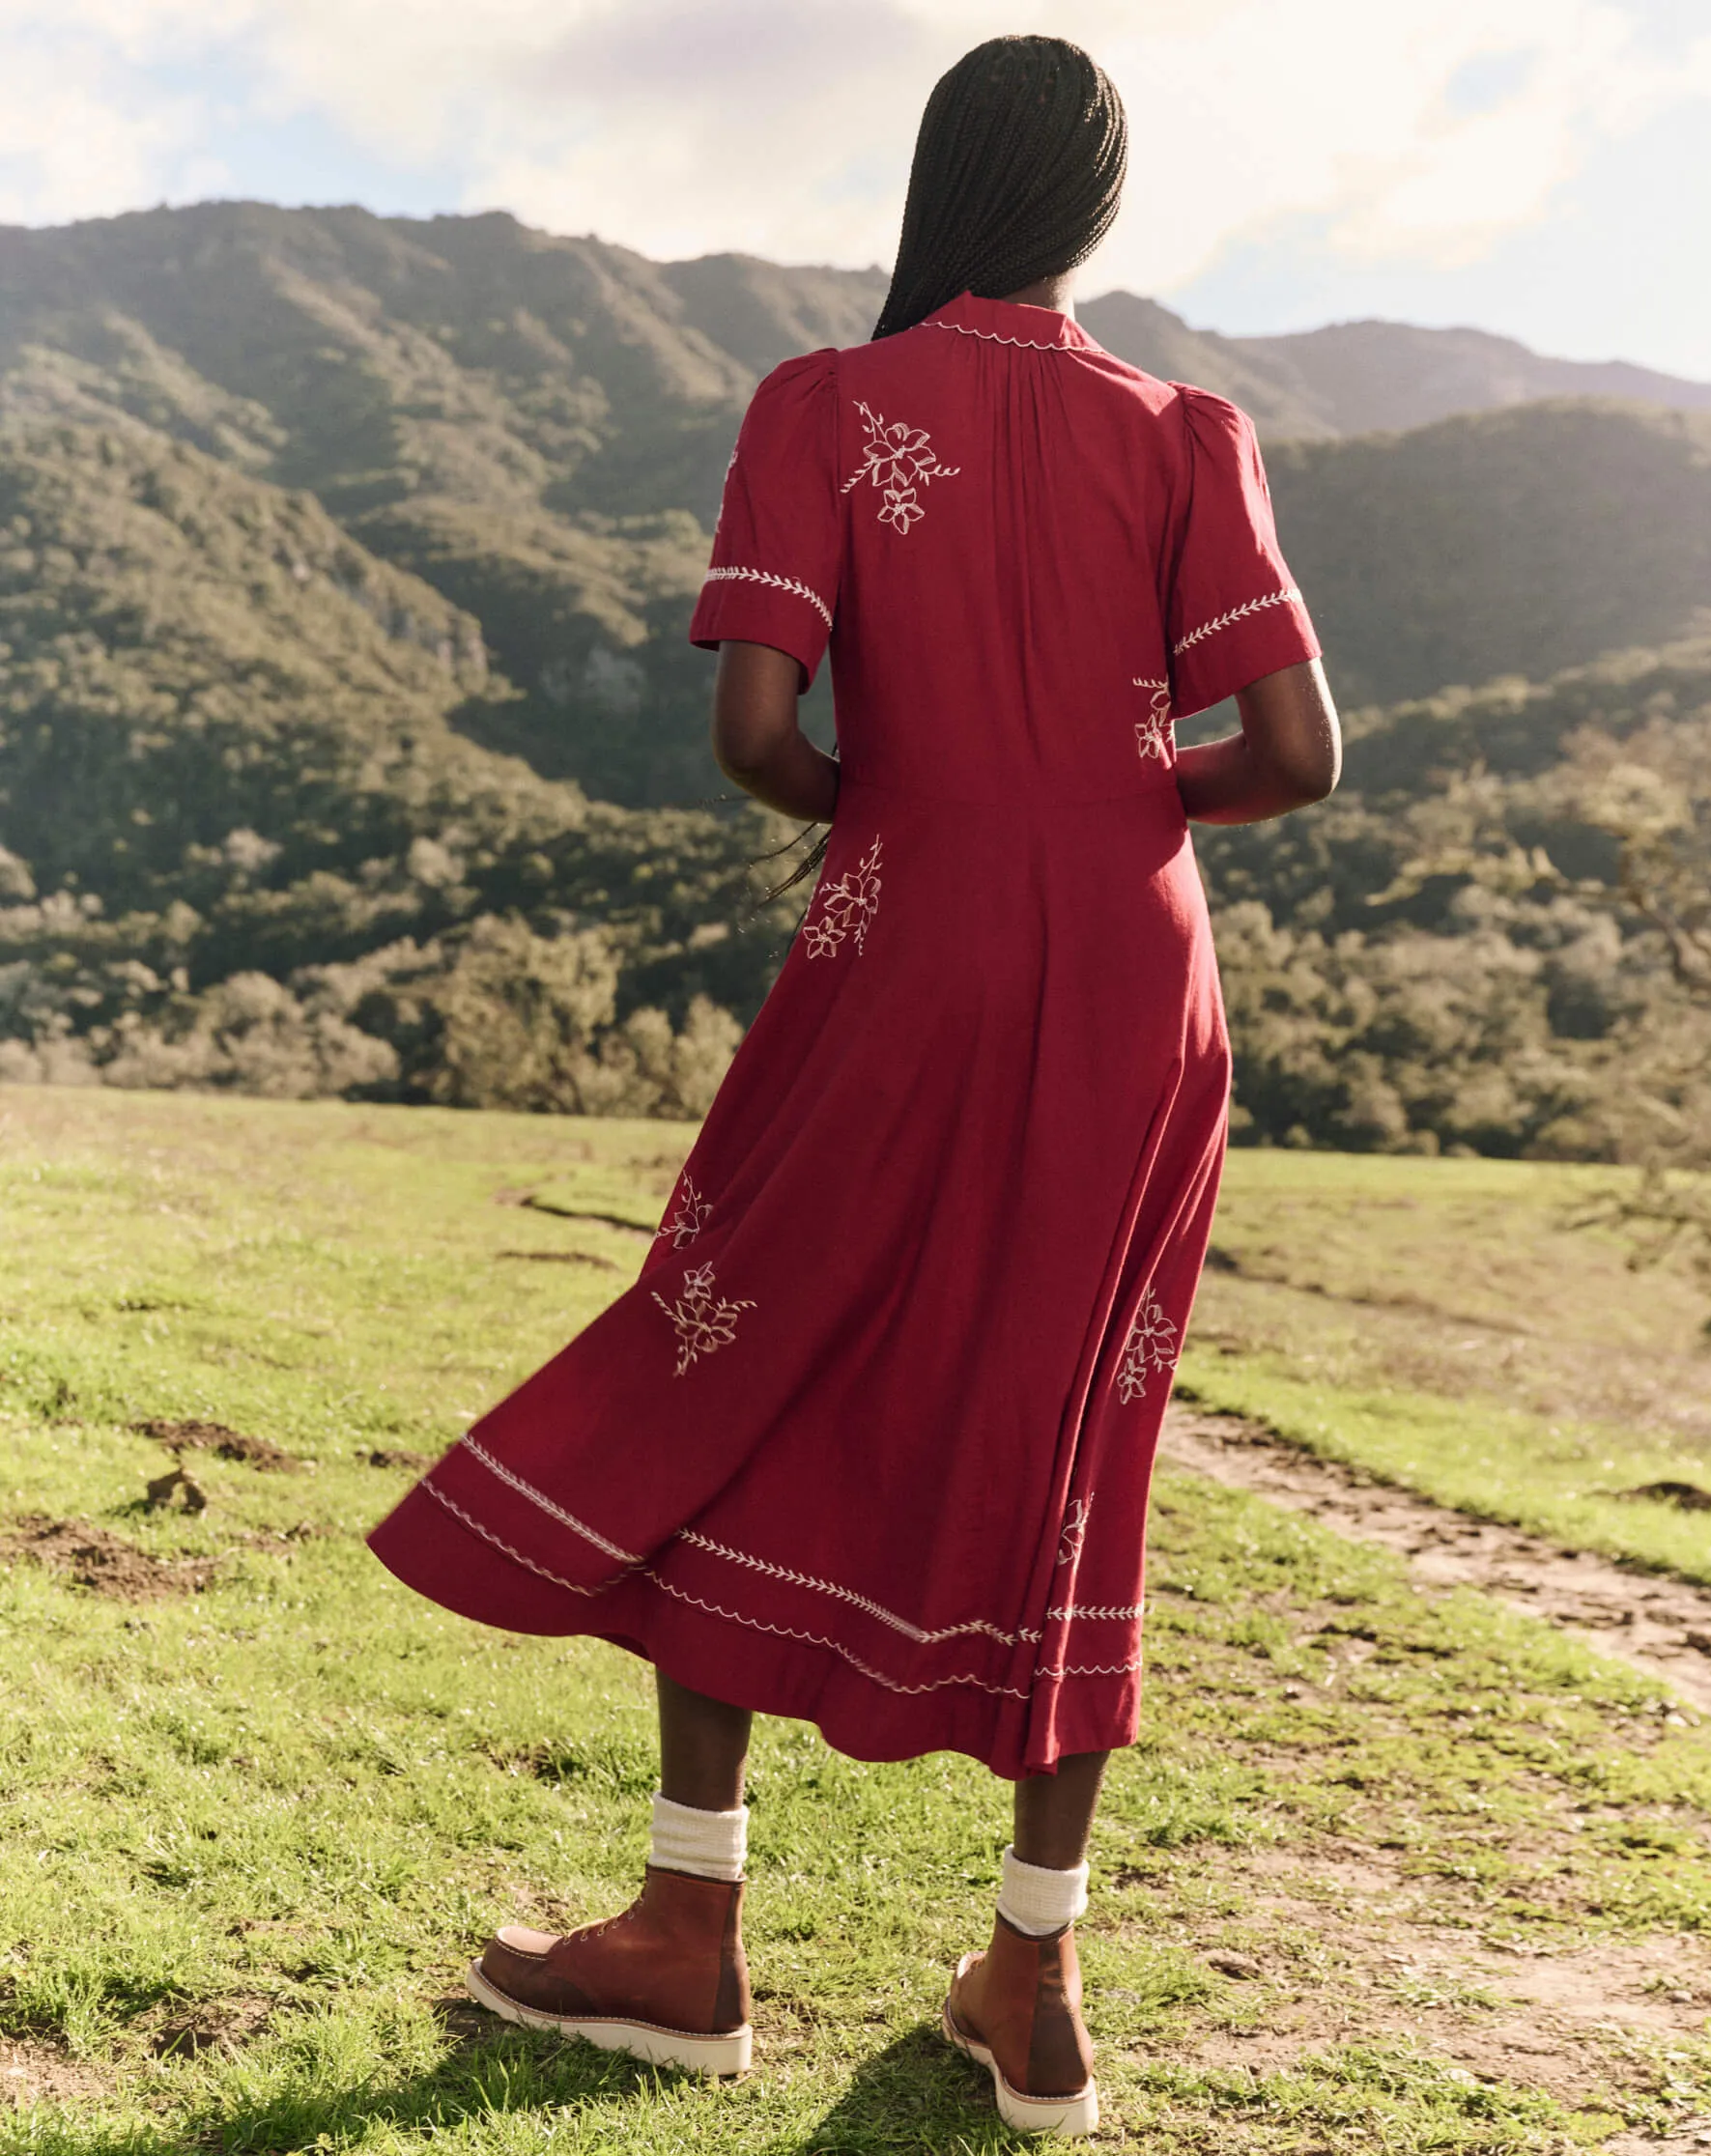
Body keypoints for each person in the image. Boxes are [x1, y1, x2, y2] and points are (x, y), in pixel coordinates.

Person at [369, 32, 1339, 2139]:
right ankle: (1035, 1970)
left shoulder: (827, 403)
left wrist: (905, 804)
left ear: (935, 181)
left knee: (744, 1332)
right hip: (1137, 964)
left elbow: (748, 728)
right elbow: (1294, 757)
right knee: (1083, 1408)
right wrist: (1095, 800)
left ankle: (689, 1932)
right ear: (1094, 210)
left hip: (906, 926)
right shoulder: (1191, 429)